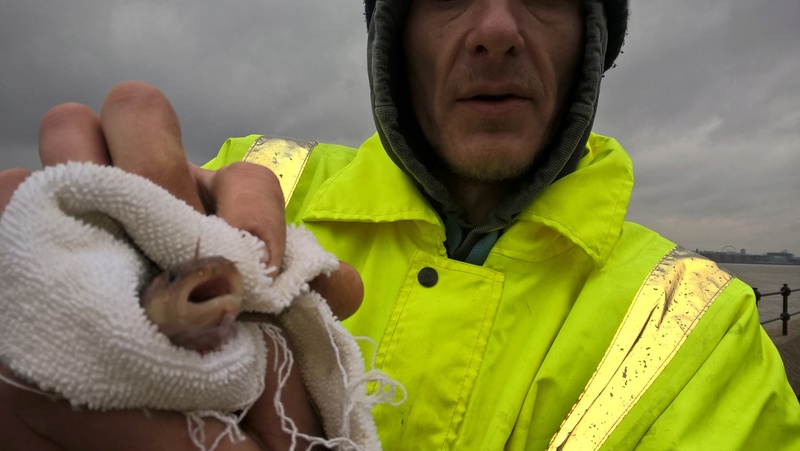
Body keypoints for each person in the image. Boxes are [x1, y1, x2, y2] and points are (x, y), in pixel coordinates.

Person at [1, 0, 799, 449]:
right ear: (395, 38)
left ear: (590, 45)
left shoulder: (706, 339)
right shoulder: (225, 194)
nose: (496, 29)